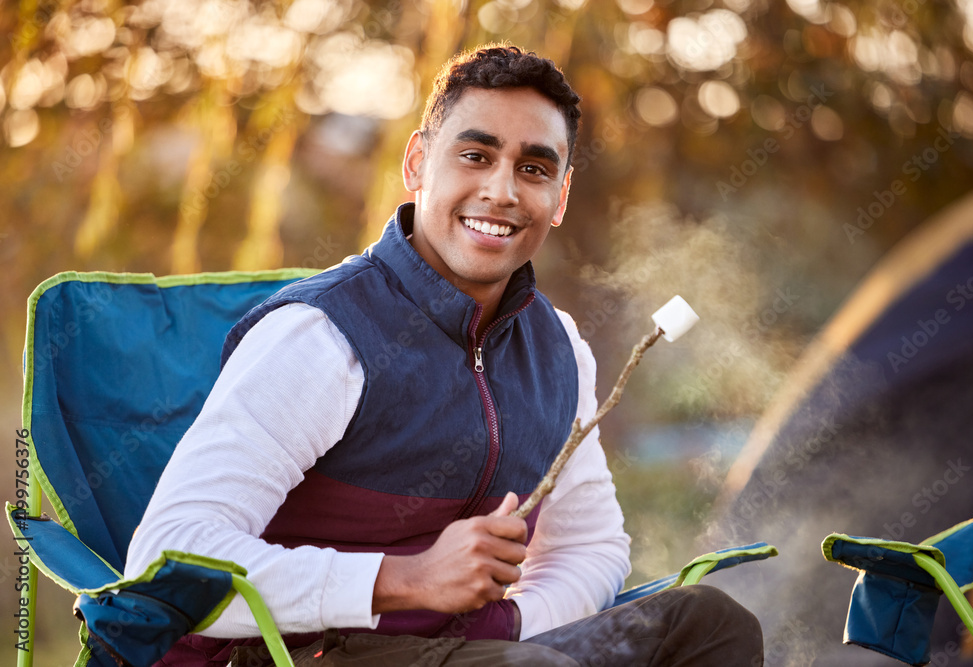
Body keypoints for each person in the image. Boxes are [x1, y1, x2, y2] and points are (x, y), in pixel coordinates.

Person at [126, 44, 763, 666]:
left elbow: (590, 546)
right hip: (293, 650)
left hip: (470, 651)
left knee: (707, 623)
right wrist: (407, 579)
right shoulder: (319, 336)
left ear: (560, 198)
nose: (502, 190)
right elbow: (166, 561)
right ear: (417, 164)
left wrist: (518, 625)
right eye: (475, 155)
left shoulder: (559, 348)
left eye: (534, 169)